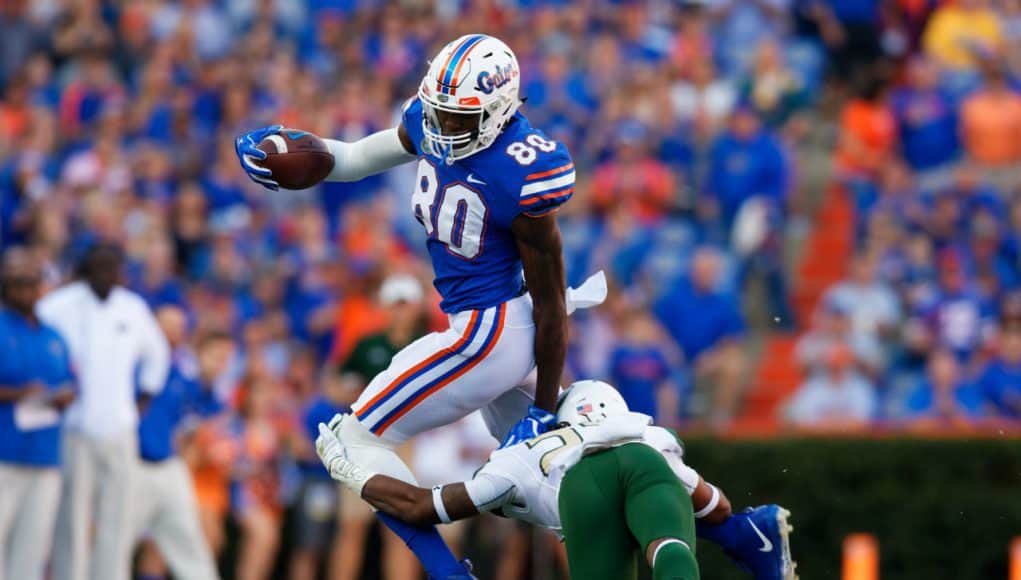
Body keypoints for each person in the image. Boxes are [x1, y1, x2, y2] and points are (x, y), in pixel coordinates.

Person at [236, 34, 592, 578]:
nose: (442, 128)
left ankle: (447, 571)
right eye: (439, 113)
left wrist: (542, 410)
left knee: (350, 440)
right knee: (555, 488)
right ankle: (729, 526)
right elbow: (354, 158)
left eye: (457, 119)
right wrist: (306, 155)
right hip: (486, 329)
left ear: (498, 112)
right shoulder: (435, 119)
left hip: (489, 333)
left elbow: (551, 306)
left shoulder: (521, 173)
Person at [315, 380, 797, 580]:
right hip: (648, 465)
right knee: (669, 548)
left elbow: (419, 507)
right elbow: (718, 509)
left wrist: (356, 474)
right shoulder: (647, 433)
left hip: (577, 487)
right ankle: (745, 543)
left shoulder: (519, 456)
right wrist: (734, 530)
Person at [38, 243, 171, 580]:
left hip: (120, 427)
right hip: (75, 427)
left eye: (112, 268)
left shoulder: (132, 307)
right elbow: (37, 342)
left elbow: (158, 356)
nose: (106, 274)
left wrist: (142, 401)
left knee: (118, 516)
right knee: (72, 517)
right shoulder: (60, 305)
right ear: (86, 268)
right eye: (99, 267)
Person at [129, 311, 229, 580]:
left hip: (169, 467)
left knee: (191, 547)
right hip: (132, 464)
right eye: (167, 327)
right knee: (114, 542)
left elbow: (206, 412)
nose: (173, 333)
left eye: (179, 328)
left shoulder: (181, 374)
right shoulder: (132, 364)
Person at [0, 248, 75, 580]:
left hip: (45, 450)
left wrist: (64, 397)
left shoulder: (54, 335)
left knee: (33, 544)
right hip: (5, 449)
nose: (27, 290)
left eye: (32, 282)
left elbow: (71, 381)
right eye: (19, 283)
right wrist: (18, 393)